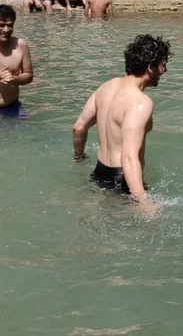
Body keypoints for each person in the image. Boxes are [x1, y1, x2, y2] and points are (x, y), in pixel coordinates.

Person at [71, 34, 170, 208]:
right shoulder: (140, 102)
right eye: (163, 64)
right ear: (150, 67)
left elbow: (79, 128)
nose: (165, 70)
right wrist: (143, 202)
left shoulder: (106, 87)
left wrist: (79, 157)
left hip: (99, 173)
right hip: (123, 180)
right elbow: (129, 157)